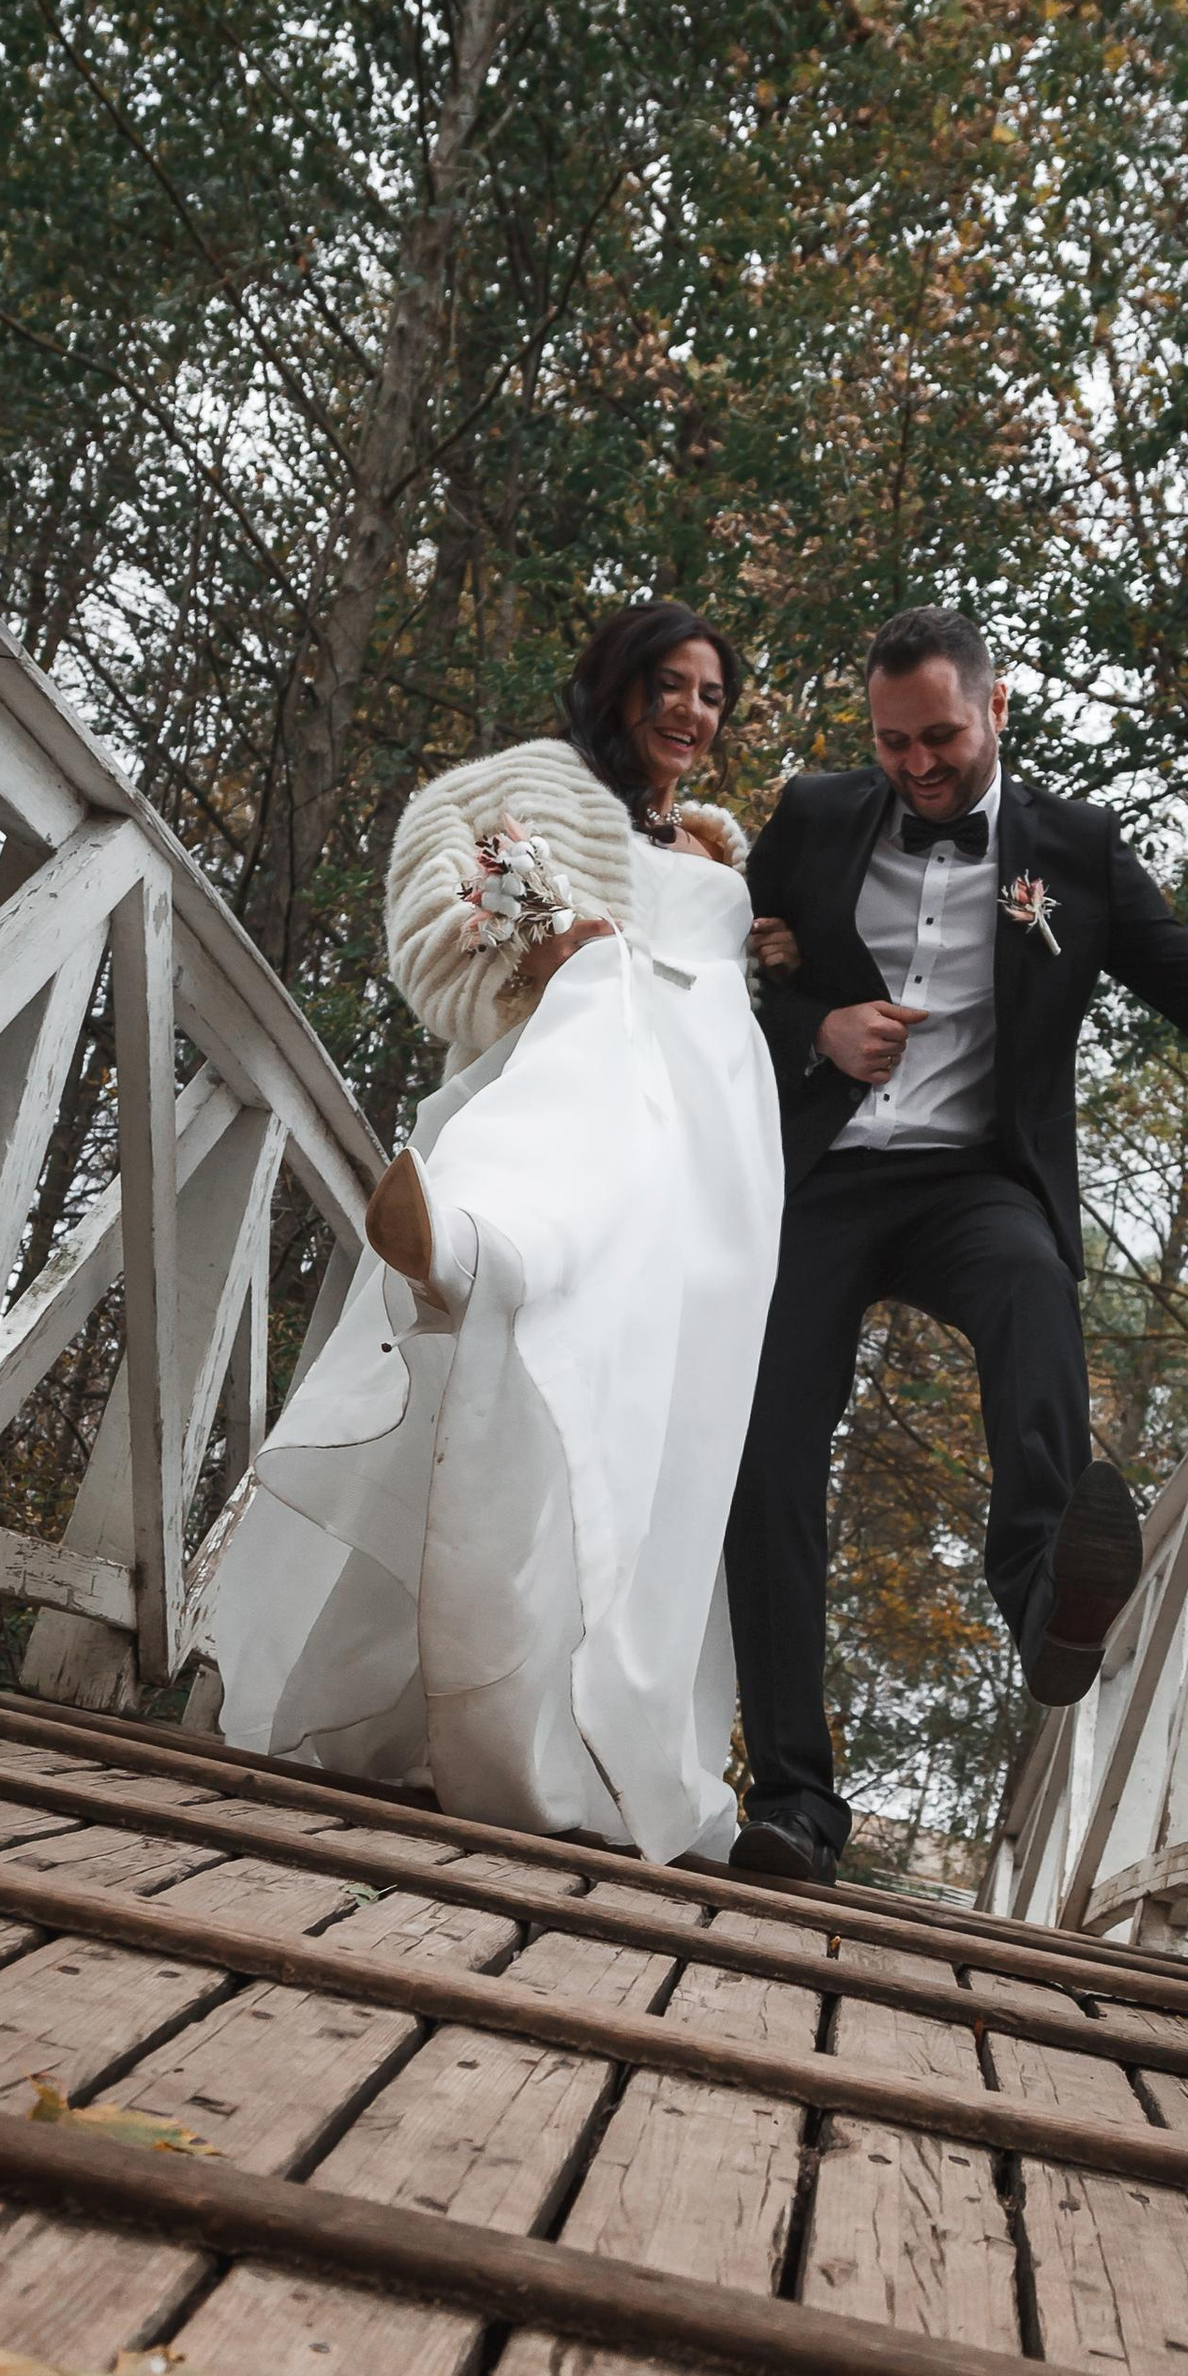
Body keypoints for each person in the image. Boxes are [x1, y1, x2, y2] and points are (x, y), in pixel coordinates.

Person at [725, 602, 1188, 1885]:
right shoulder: (814, 818)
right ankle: (791, 1804)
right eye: (892, 745)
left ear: (996, 710)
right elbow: (715, 970)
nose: (918, 766)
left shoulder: (1077, 856)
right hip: (816, 1179)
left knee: (1035, 1289)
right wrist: (814, 1029)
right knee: (766, 1456)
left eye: (939, 736)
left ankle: (1041, 1591)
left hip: (974, 1182)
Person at [199, 599, 781, 1865]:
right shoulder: (540, 808)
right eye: (670, 686)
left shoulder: (725, 858)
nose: (693, 712)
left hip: (714, 1131)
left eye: (712, 695)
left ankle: (476, 1252)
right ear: (621, 690)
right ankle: (473, 1244)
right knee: (584, 1056)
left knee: (635, 1415)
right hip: (597, 1064)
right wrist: (540, 936)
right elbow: (470, 958)